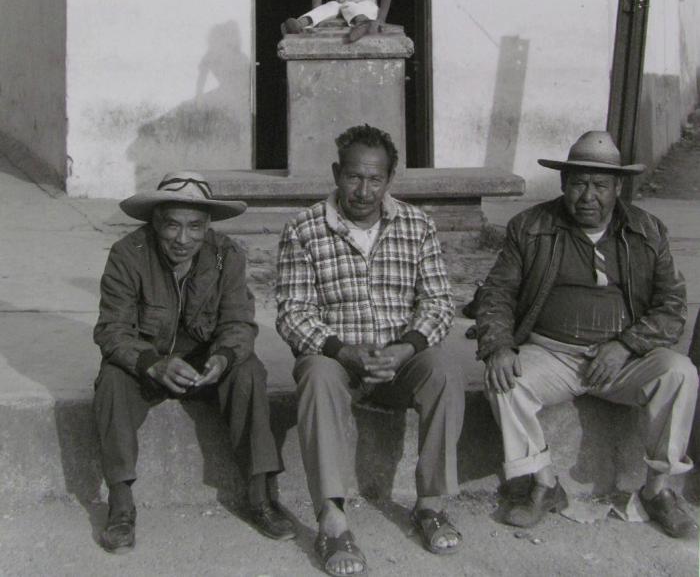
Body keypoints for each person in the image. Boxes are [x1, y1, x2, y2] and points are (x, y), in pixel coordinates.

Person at [476, 131, 698, 539]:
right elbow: (497, 293)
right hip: (552, 354)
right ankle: (543, 484)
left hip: (624, 359)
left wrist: (626, 344)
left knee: (679, 372)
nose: (588, 196)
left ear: (618, 188)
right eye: (578, 183)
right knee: (504, 379)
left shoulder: (648, 231)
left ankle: (657, 491)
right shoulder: (530, 226)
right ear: (563, 184)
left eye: (600, 185)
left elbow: (672, 307)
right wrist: (499, 345)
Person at [276, 124, 466, 576]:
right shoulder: (304, 229)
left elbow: (439, 302)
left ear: (390, 179)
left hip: (401, 361)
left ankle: (431, 504)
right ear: (337, 173)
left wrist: (406, 348)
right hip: (340, 362)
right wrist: (343, 352)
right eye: (354, 177)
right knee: (316, 374)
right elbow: (292, 313)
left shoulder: (417, 225)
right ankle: (333, 521)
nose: (364, 191)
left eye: (375, 179)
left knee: (445, 368)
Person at [93, 170, 295, 553]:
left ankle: (260, 496)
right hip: (149, 365)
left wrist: (222, 357)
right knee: (111, 380)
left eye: (195, 227)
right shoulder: (127, 254)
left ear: (207, 227)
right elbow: (112, 330)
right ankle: (120, 505)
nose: (183, 239)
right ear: (155, 222)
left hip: (205, 366)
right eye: (172, 226)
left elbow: (239, 323)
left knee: (249, 369)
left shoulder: (227, 255)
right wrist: (152, 363)